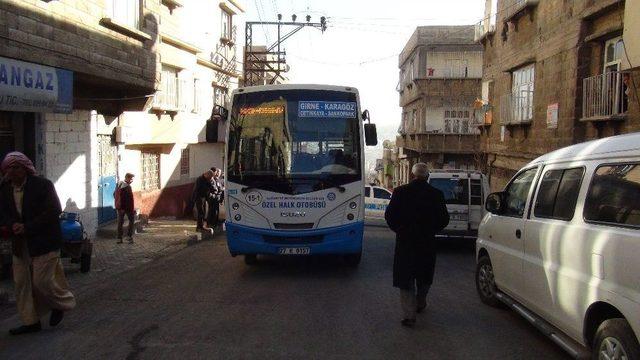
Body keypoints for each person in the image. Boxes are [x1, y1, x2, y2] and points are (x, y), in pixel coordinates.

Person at [0, 152, 76, 335]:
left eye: (16, 167)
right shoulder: (4, 189)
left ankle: (60, 304)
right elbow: (3, 212)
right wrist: (13, 225)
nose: (12, 171)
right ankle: (30, 321)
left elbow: (53, 210)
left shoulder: (42, 185)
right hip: (20, 243)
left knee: (41, 281)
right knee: (21, 283)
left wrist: (28, 227)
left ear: (25, 168)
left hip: (44, 241)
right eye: (9, 168)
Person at [384, 162, 449, 328]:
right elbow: (444, 219)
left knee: (406, 279)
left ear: (412, 175)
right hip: (427, 243)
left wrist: (400, 230)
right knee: (424, 276)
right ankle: (420, 303)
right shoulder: (436, 194)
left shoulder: (400, 192)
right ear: (427, 176)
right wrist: (431, 230)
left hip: (405, 243)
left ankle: (409, 315)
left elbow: (389, 216)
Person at [115, 173, 135, 244]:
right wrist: (129, 208)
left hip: (119, 207)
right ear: (128, 178)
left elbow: (114, 194)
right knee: (132, 220)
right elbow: (127, 199)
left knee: (120, 222)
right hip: (127, 208)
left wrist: (119, 204)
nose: (132, 180)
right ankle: (129, 237)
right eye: (131, 179)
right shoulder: (127, 187)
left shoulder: (119, 184)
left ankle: (119, 238)